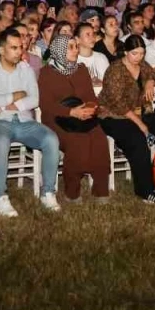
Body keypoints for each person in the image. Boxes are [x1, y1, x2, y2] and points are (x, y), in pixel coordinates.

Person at [0, 28, 62, 217]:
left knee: (50, 139)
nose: (19, 51)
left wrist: (7, 105)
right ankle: (0, 196)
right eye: (14, 47)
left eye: (21, 47)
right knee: (0, 141)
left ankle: (48, 192)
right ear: (1, 50)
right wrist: (17, 95)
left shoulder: (26, 69)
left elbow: (34, 99)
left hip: (24, 120)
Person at [96, 35, 155, 206]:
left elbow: (153, 74)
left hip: (139, 112)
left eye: (142, 53)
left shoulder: (142, 64)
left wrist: (150, 82)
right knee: (137, 138)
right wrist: (142, 126)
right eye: (134, 54)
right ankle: (145, 190)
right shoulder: (115, 70)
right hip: (113, 116)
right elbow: (118, 104)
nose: (139, 57)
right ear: (125, 52)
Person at [38, 35, 110, 203]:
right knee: (78, 140)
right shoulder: (47, 73)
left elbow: (90, 97)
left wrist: (91, 109)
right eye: (71, 47)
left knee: (99, 137)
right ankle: (72, 192)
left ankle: (101, 189)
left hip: (83, 116)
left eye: (76, 46)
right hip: (57, 120)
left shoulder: (81, 69)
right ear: (59, 49)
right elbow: (46, 105)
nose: (76, 50)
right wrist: (71, 112)